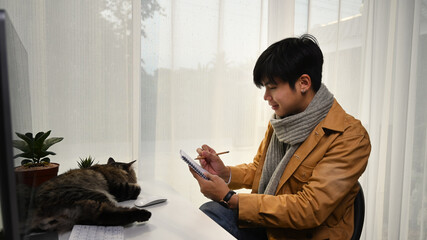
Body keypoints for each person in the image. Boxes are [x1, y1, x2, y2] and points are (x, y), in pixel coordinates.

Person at [189, 34, 371, 240]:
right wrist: (225, 173)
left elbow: (309, 209)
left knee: (213, 218)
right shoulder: (282, 121)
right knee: (209, 214)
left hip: (302, 235)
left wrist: (230, 197)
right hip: (269, 226)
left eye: (272, 87)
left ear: (303, 83)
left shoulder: (350, 137)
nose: (266, 97)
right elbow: (260, 169)